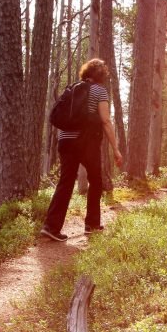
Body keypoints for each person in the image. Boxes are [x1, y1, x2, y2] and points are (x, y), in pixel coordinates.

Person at [40, 58, 123, 241]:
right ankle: (92, 225)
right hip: (85, 142)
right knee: (96, 180)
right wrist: (116, 149)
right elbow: (106, 121)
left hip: (65, 141)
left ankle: (51, 227)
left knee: (66, 182)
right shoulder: (99, 91)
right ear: (101, 75)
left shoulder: (72, 88)